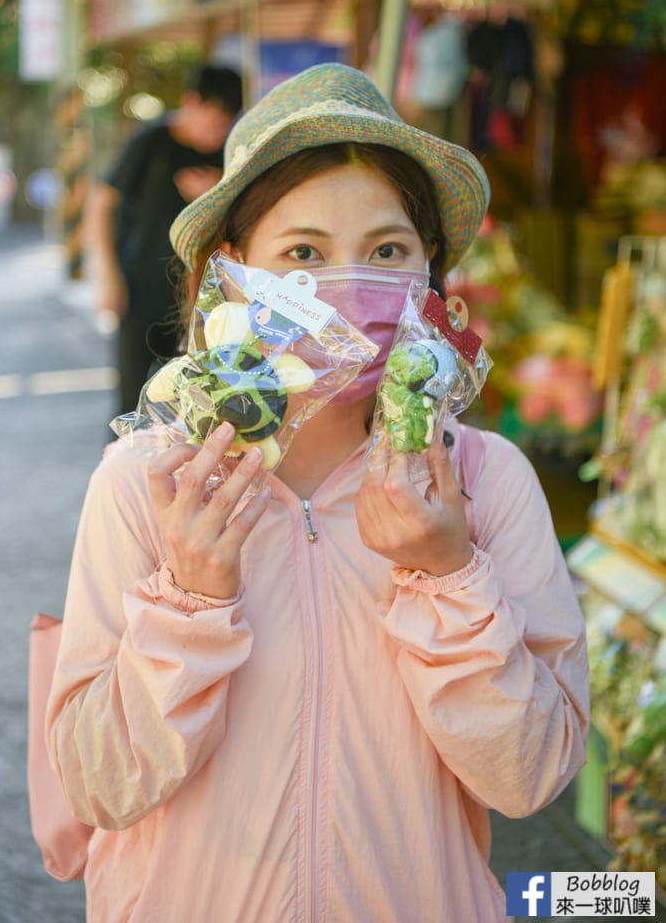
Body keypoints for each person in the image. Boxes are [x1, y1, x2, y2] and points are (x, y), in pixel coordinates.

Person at [47, 63, 589, 922]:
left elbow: (528, 778)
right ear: (233, 273)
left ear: (428, 277)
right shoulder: (147, 484)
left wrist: (448, 575)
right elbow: (99, 788)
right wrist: (188, 599)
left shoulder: (484, 483)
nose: (348, 286)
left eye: (386, 252)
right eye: (303, 254)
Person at [86, 63, 243, 415]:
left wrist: (217, 193)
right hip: (138, 292)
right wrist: (107, 278)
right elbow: (100, 207)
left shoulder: (231, 155)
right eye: (213, 121)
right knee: (131, 400)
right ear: (191, 102)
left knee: (191, 402)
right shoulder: (150, 143)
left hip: (200, 302)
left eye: (225, 125)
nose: (217, 134)